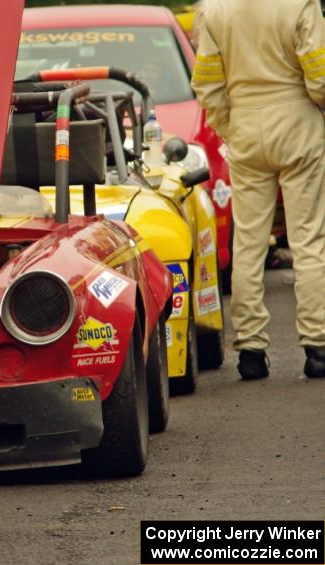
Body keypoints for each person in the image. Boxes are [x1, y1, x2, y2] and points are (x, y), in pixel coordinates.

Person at [192, 0, 325, 380]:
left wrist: (230, 129)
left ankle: (251, 350)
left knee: (248, 243)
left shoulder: (214, 9)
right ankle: (317, 346)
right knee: (309, 239)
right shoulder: (300, 3)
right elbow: (320, 76)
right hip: (298, 122)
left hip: (246, 127)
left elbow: (207, 83)